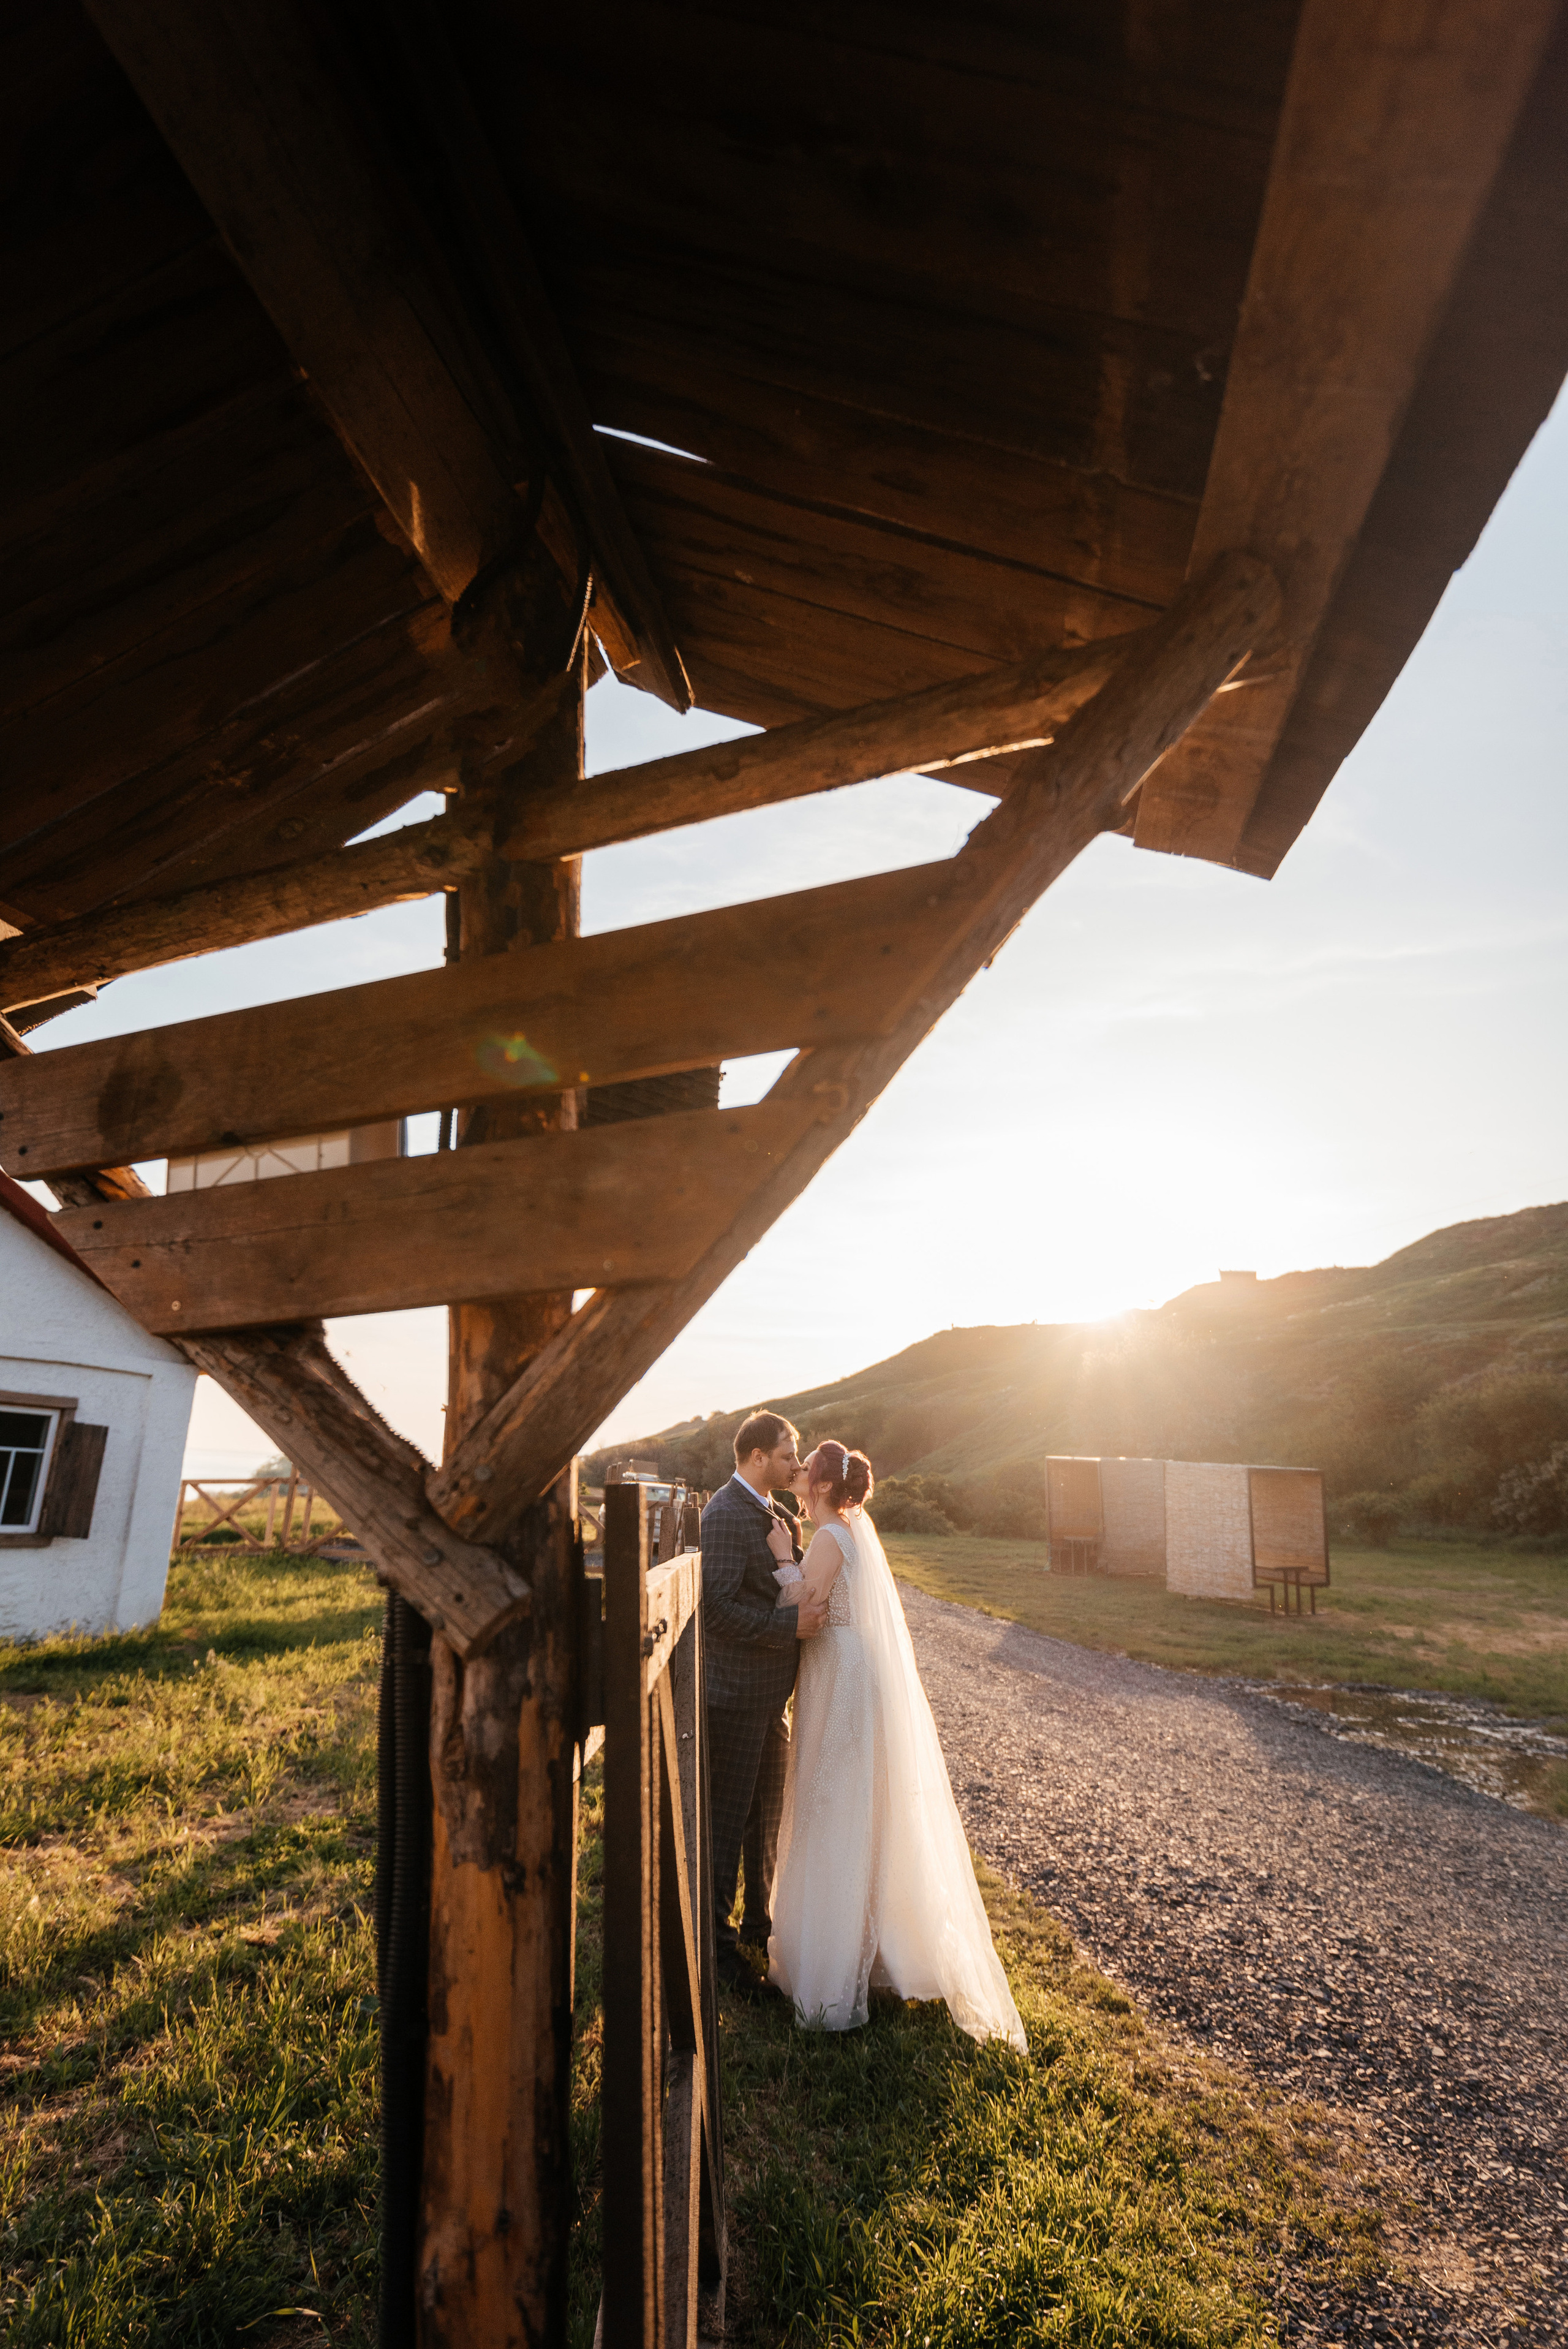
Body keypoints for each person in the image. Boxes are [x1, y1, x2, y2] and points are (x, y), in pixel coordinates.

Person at [767, 1439, 1026, 2050]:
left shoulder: (831, 1538)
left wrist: (783, 1558)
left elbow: (809, 1604)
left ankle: (829, 1983)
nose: (797, 1476)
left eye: (806, 1471)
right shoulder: (843, 1532)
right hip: (842, 1672)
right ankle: (869, 1953)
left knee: (834, 1808)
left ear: (825, 1487)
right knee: (848, 1807)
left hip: (843, 1678)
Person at [699, 1410, 827, 1996]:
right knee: (728, 1823)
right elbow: (718, 1610)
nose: (794, 1463)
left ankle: (758, 1923)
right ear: (755, 1458)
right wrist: (789, 1627)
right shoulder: (725, 1515)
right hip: (735, 1696)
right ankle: (717, 1952)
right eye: (785, 1453)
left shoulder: (772, 1513)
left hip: (769, 1696)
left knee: (766, 1818)